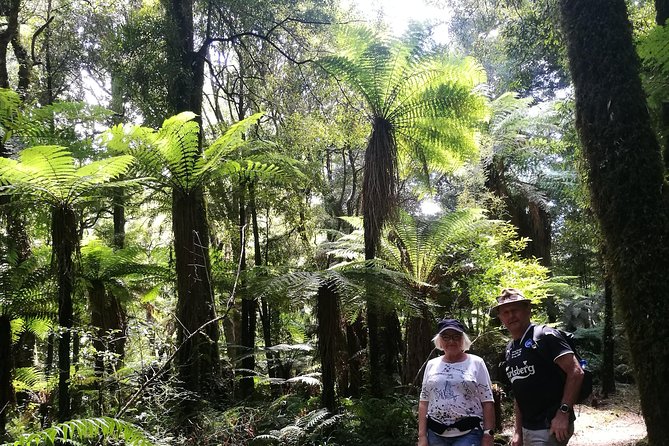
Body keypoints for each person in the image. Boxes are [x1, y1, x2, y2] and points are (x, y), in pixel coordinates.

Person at [491, 288, 585, 446]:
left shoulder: (545, 336)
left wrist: (563, 414)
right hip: (528, 427)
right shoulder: (510, 349)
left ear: (528, 310)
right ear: (500, 317)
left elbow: (576, 372)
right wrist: (518, 432)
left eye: (515, 310)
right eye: (505, 312)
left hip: (551, 425)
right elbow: (519, 391)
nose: (511, 316)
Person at [418, 318, 495, 446]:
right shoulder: (432, 364)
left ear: (463, 340)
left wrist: (488, 434)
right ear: (440, 341)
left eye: (456, 336)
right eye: (446, 337)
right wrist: (421, 436)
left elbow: (487, 401)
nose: (451, 341)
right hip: (435, 434)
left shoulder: (477, 363)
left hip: (469, 433)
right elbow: (424, 402)